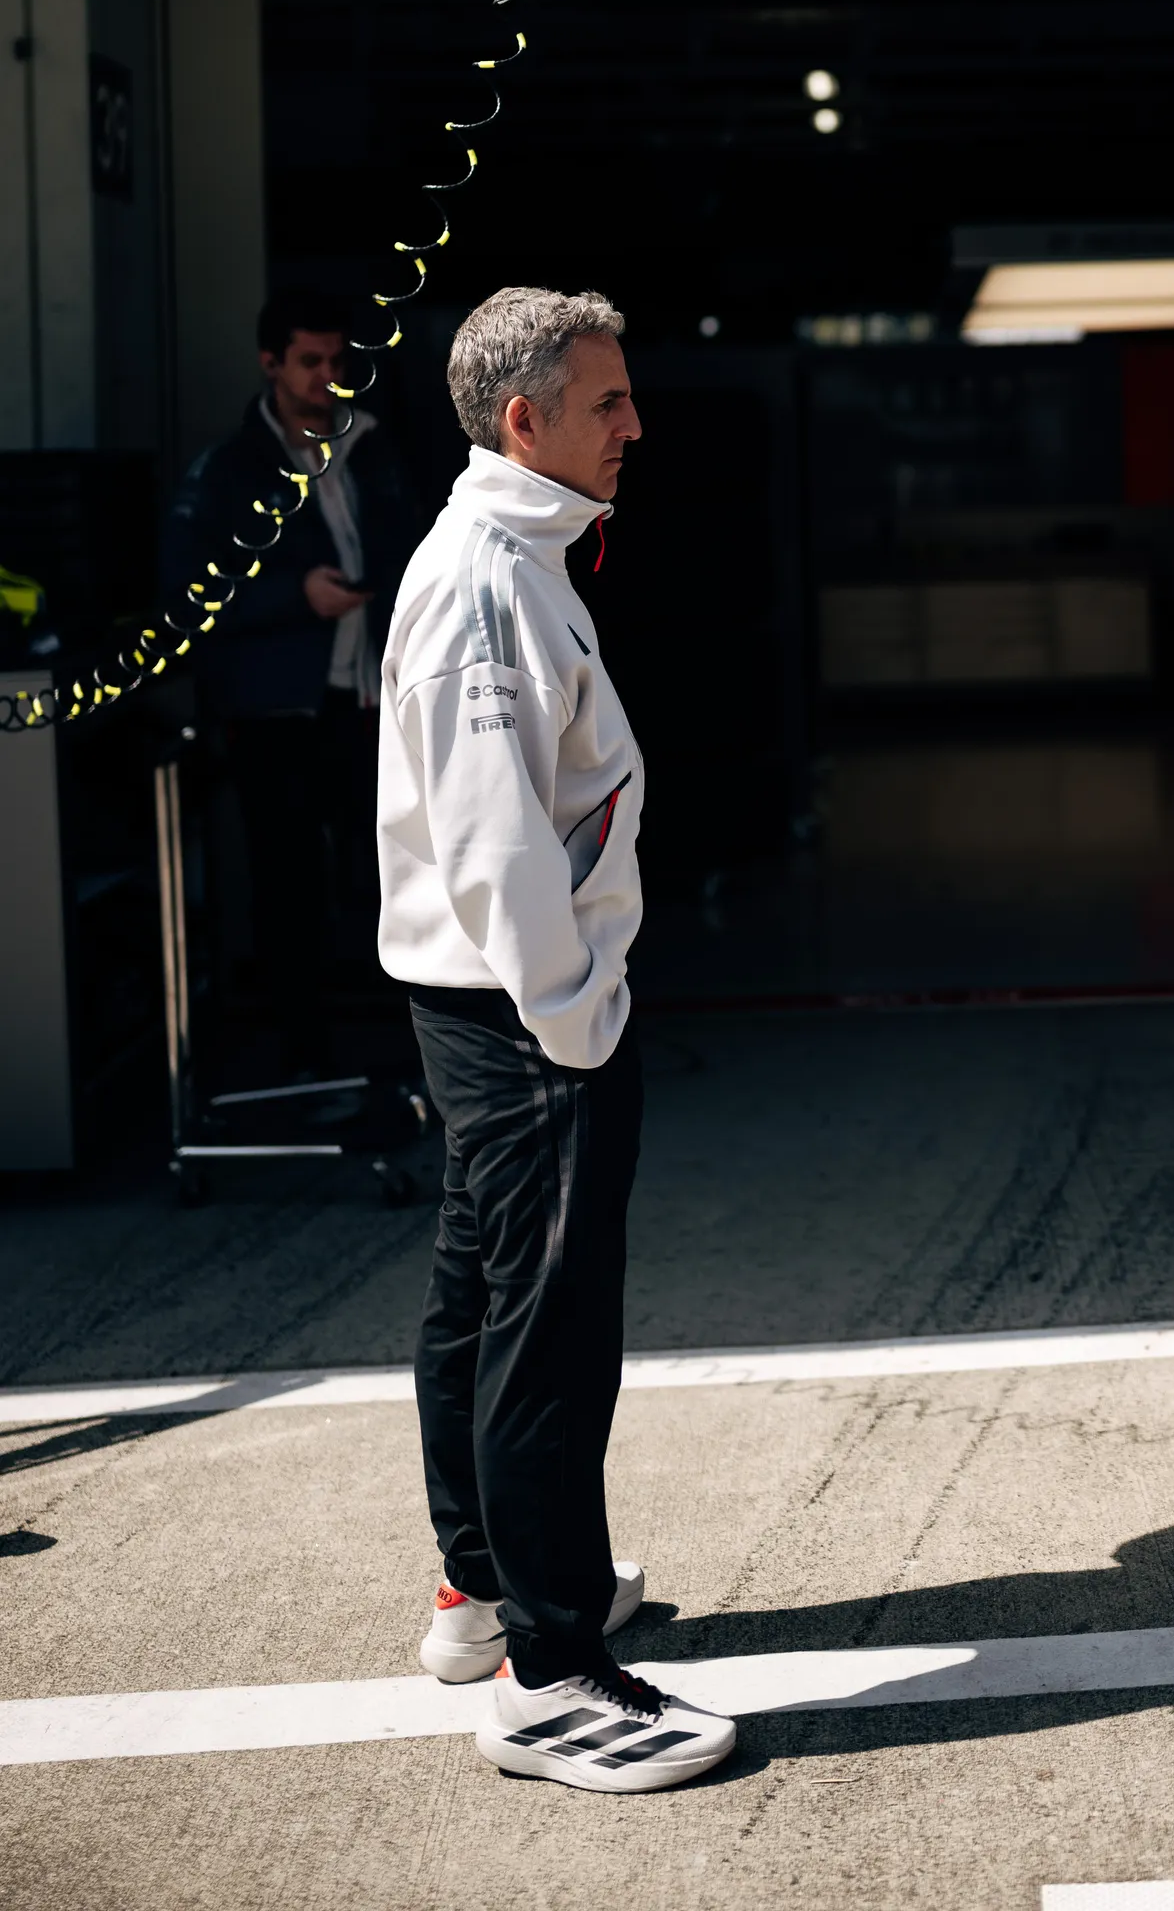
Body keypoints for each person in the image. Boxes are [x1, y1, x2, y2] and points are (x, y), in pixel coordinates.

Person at [378, 284, 734, 1793]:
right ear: (523, 418)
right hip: (526, 1015)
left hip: (483, 1005)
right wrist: (578, 1019)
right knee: (548, 1332)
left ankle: (481, 1594)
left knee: (480, 1298)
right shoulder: (485, 584)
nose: (636, 422)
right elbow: (494, 841)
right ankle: (553, 1674)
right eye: (608, 400)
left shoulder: (513, 555)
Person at [161, 287, 418, 1069]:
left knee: (400, 871)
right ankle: (307, 1057)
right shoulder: (229, 469)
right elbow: (187, 601)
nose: (327, 377)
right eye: (311, 361)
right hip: (280, 707)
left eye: (339, 362)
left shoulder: (372, 448)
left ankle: (415, 1053)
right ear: (271, 364)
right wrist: (295, 597)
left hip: (373, 698)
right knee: (290, 883)